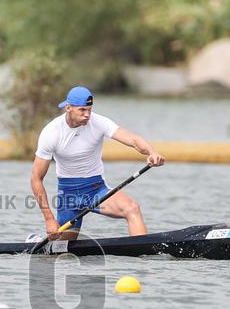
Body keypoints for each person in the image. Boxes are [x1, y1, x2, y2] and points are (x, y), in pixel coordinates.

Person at [31, 86, 165, 240]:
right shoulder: (52, 132)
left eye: (89, 109)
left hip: (96, 190)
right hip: (68, 195)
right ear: (68, 108)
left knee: (131, 208)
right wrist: (49, 219)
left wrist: (151, 152)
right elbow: (36, 178)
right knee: (60, 247)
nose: (87, 115)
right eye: (82, 110)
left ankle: (143, 252)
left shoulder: (99, 122)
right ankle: (36, 240)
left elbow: (133, 140)